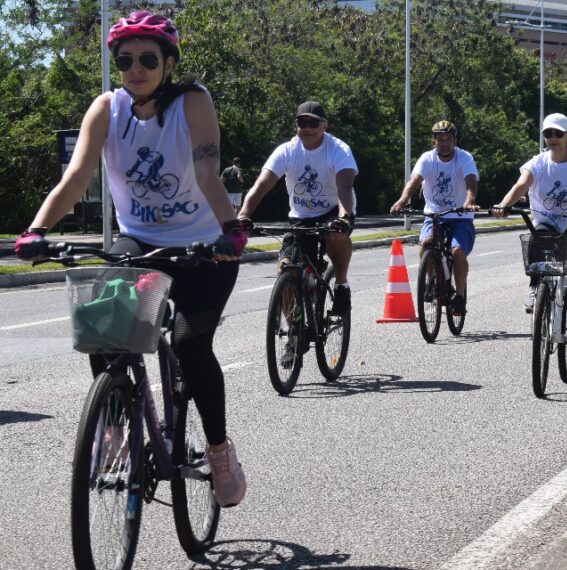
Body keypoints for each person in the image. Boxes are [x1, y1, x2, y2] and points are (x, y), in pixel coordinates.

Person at [14, 11, 248, 507]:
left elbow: (207, 173)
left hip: (204, 246)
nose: (135, 69)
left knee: (189, 343)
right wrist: (36, 229)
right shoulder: (107, 108)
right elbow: (77, 178)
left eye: (147, 59)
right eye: (125, 60)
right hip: (139, 241)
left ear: (167, 62)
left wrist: (231, 230)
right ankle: (118, 427)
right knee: (105, 324)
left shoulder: (192, 102)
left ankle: (220, 449)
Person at [493, 113, 567, 369]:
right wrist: (504, 204)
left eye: (558, 134)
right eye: (548, 134)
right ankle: (536, 285)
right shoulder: (537, 162)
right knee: (539, 234)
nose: (553, 139)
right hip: (548, 224)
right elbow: (521, 185)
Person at [239, 101, 358, 315]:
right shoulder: (287, 150)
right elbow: (261, 186)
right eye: (302, 122)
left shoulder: (338, 149)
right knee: (286, 268)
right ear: (296, 125)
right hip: (300, 217)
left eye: (313, 123)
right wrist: (243, 215)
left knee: (335, 236)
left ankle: (341, 284)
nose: (307, 128)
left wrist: (344, 216)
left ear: (324, 126)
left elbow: (345, 185)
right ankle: (294, 332)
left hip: (334, 211)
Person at [390, 120, 479, 316]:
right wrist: (403, 200)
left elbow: (471, 181)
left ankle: (460, 297)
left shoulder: (464, 157)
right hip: (434, 215)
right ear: (434, 141)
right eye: (440, 139)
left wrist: (469, 201)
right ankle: (431, 281)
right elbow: (415, 180)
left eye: (448, 139)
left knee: (456, 251)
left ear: (455, 140)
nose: (444, 143)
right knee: (426, 243)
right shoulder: (427, 159)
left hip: (460, 216)